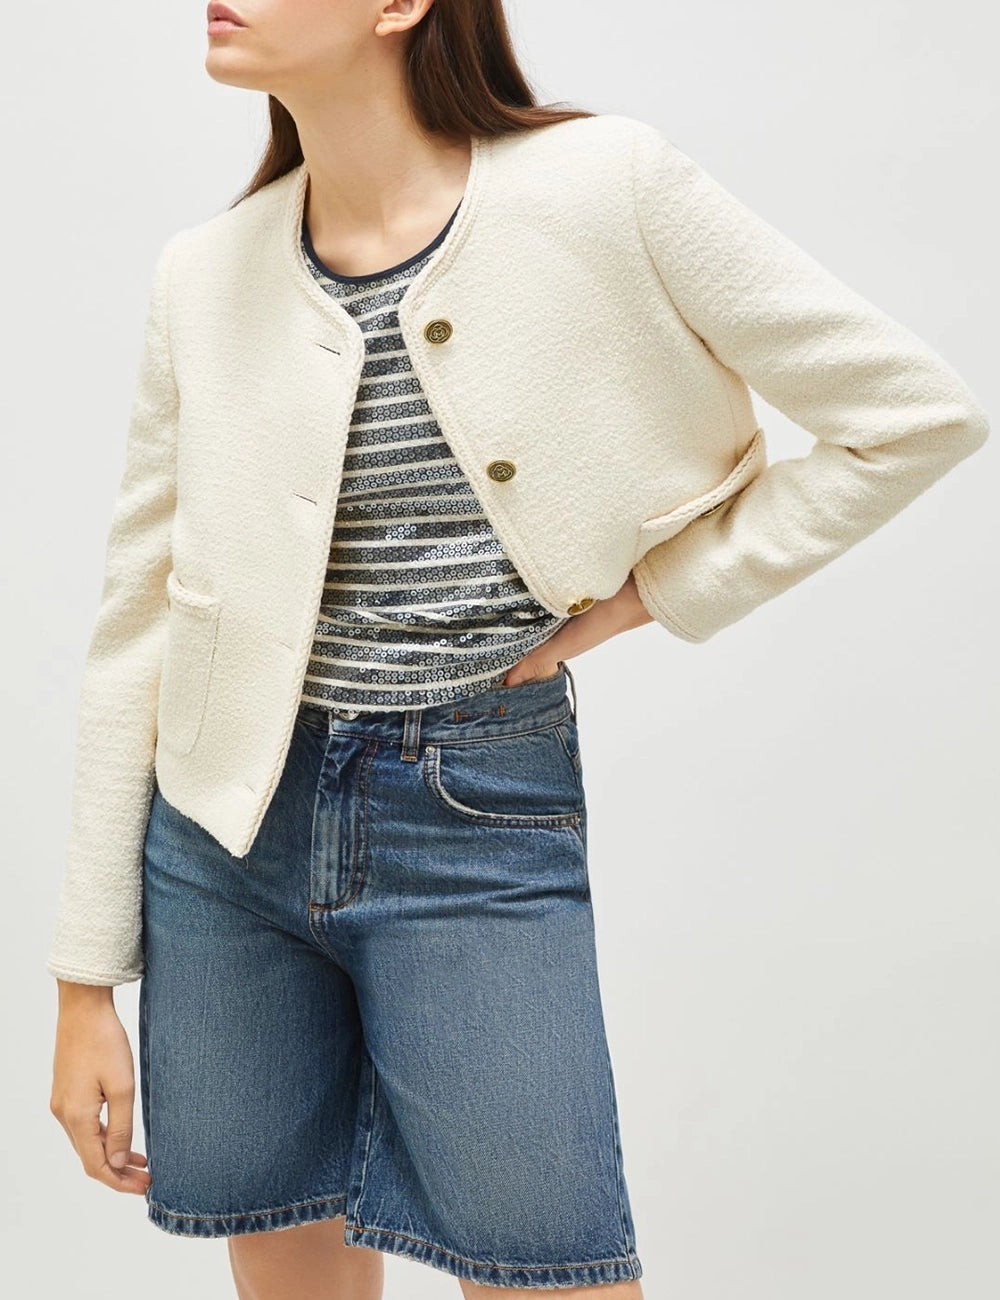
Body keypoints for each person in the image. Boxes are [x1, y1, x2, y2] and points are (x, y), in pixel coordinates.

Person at [47, 2, 989, 1297]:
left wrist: (664, 590)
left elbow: (913, 414)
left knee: (554, 1269)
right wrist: (84, 983)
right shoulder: (203, 274)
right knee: (288, 1267)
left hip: (471, 815)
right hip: (221, 836)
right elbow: (136, 622)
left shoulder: (605, 186)